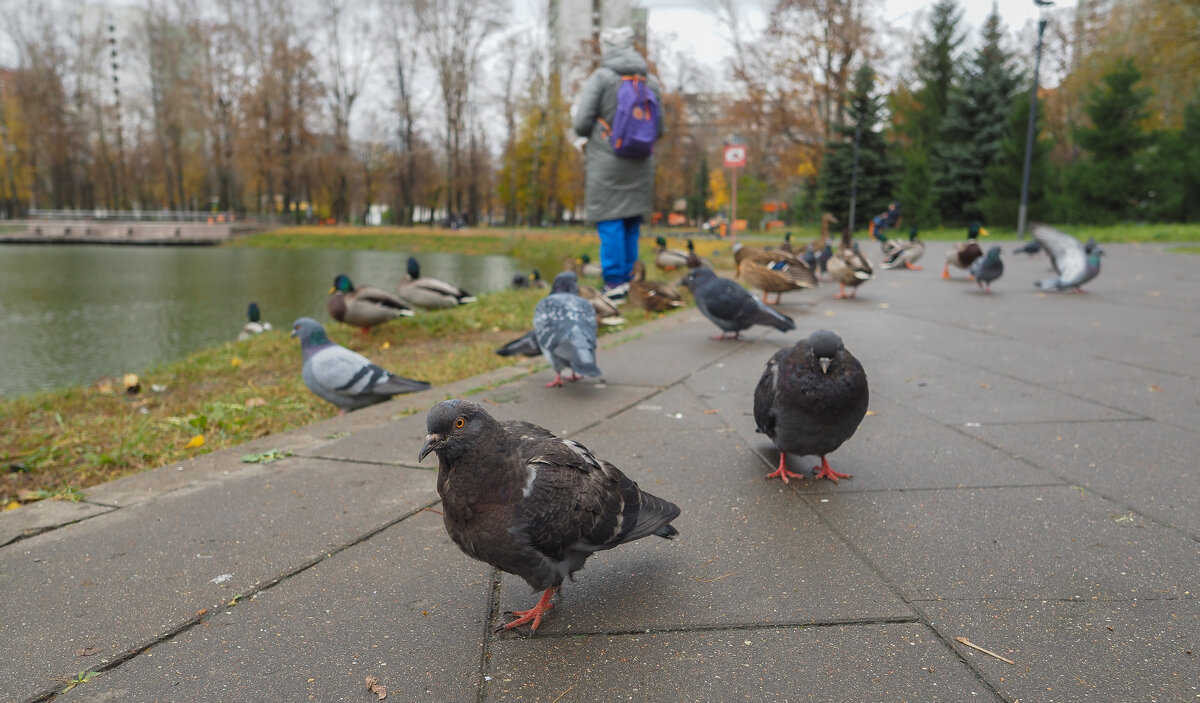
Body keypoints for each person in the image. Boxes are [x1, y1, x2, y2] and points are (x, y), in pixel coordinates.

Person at [572, 26, 664, 300]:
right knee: (631, 221)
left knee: (610, 220)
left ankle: (614, 283)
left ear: (607, 48)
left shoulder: (601, 78)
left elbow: (581, 124)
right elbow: (659, 128)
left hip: (607, 161)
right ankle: (631, 280)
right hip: (641, 162)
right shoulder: (650, 81)